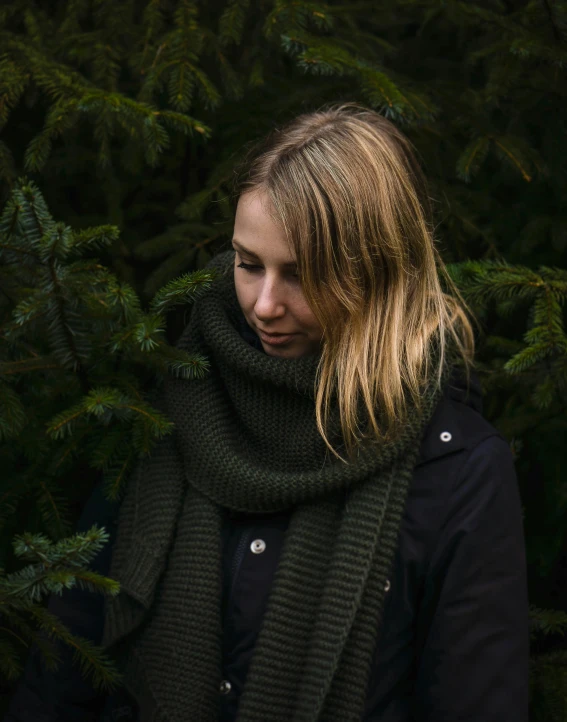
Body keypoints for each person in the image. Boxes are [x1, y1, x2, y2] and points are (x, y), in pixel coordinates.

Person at [6, 102, 529, 722]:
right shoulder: (176, 398)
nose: (263, 304)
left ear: (376, 275)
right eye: (248, 265)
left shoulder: (456, 470)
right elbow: (65, 671)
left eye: (302, 276)